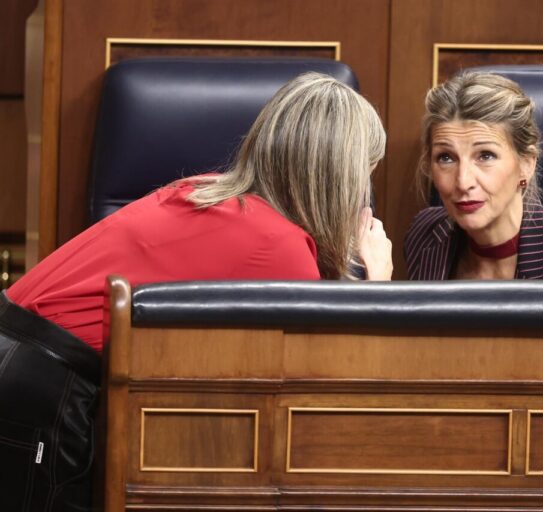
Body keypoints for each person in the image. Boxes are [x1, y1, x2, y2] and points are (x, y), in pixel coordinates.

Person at [0, 72, 391, 511]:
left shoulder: (204, 191)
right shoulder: (279, 245)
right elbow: (327, 390)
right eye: (364, 176)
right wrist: (377, 281)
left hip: (14, 352)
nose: (363, 195)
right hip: (47, 385)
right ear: (338, 179)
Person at [404, 72, 543, 282]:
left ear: (526, 164)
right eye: (446, 158)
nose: (463, 182)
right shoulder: (425, 234)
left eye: (485, 156)